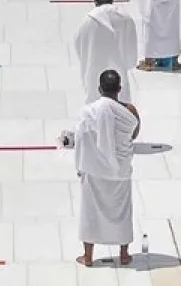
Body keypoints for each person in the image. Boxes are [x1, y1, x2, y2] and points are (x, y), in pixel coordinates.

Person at [74, 70, 141, 267]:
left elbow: (81, 138)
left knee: (90, 212)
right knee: (122, 212)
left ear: (99, 89)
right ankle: (124, 254)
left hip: (94, 171)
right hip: (119, 171)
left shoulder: (87, 112)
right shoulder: (130, 112)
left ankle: (88, 257)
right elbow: (133, 135)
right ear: (119, 89)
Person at [74, 0, 138, 104]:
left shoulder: (88, 21)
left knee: (95, 105)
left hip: (94, 70)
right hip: (119, 71)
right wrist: (128, 63)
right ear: (112, 1)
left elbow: (79, 43)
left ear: (96, 3)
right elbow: (131, 46)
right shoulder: (126, 18)